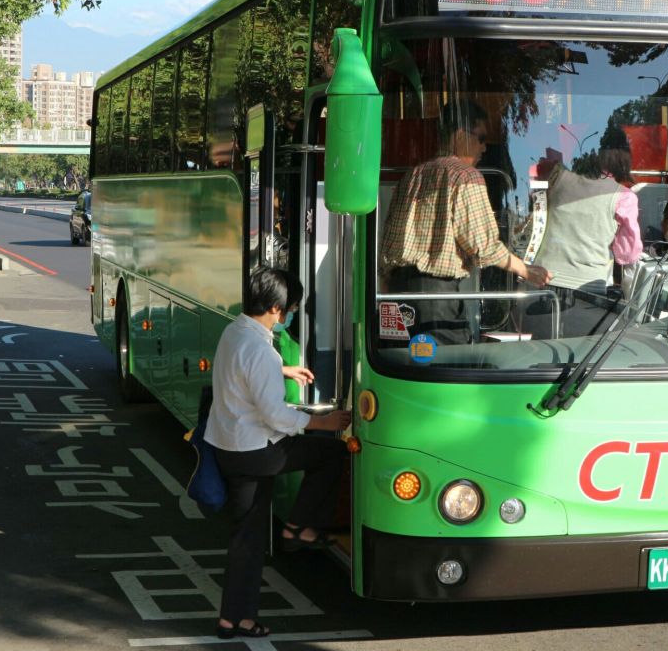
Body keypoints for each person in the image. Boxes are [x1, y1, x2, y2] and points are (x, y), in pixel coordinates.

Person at [205, 267, 351, 640]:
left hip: (227, 447)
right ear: (274, 308)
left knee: (246, 537)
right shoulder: (261, 350)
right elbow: (276, 415)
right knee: (332, 455)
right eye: (288, 310)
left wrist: (282, 370)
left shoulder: (234, 331)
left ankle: (231, 619)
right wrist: (324, 421)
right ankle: (298, 528)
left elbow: (243, 372)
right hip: (257, 452)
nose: (287, 317)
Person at [379, 102, 551, 344]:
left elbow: (389, 242)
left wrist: (386, 285)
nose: (484, 147)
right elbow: (481, 244)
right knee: (445, 368)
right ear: (460, 135)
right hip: (436, 298)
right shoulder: (466, 176)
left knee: (403, 365)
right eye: (481, 138)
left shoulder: (413, 175)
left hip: (398, 293)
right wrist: (524, 269)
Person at [524, 128, 643, 338]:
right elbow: (627, 254)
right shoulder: (623, 197)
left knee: (539, 352)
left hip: (542, 282)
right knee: (580, 357)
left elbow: (533, 204)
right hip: (589, 290)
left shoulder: (558, 177)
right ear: (626, 159)